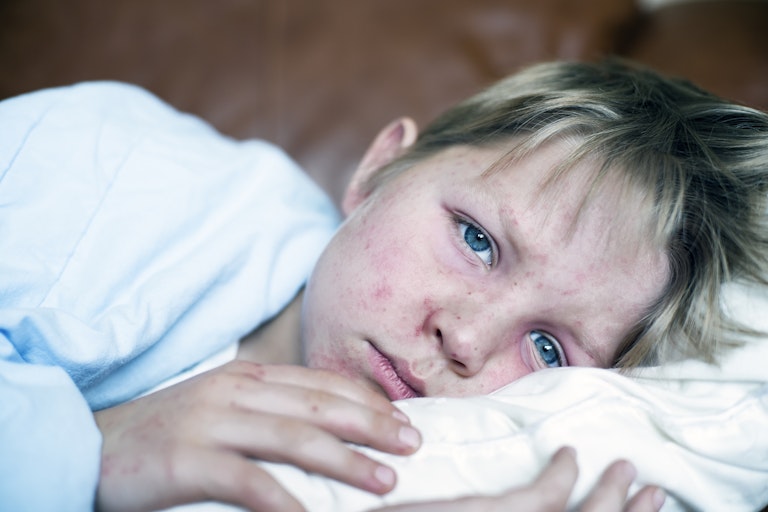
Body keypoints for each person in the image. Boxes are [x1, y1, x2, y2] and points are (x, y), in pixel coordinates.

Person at [1, 59, 766, 511]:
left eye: (546, 346)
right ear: (374, 172)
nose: (464, 339)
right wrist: (86, 452)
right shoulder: (106, 169)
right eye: (477, 240)